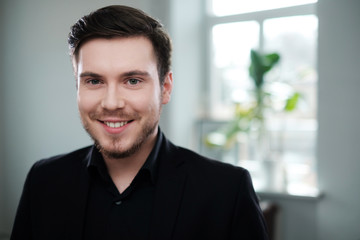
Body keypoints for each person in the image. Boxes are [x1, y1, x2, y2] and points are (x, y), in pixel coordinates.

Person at [10, 5, 269, 240]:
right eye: (94, 81)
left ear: (165, 88)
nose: (111, 103)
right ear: (77, 87)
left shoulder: (227, 192)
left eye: (132, 81)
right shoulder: (43, 181)